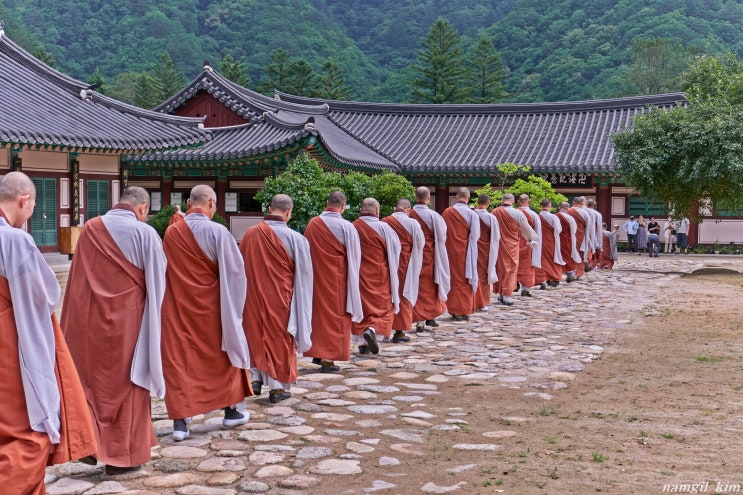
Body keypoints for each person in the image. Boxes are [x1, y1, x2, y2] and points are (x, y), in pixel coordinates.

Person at [0, 171, 96, 492]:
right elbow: (44, 296)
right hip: (9, 350)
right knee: (28, 437)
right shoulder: (14, 240)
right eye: (33, 207)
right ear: (23, 200)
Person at [61, 186, 166, 475]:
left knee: (93, 385)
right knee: (129, 385)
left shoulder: (91, 229)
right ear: (142, 208)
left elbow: (77, 284)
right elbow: (158, 284)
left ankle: (91, 444)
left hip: (90, 324)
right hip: (129, 326)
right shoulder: (145, 234)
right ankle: (125, 457)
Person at [161, 185, 252, 441]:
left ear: (189, 203)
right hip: (213, 309)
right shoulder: (218, 231)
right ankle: (230, 412)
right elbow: (235, 275)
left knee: (181, 360)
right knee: (222, 357)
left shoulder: (172, 232)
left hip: (179, 308)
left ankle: (180, 423)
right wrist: (235, 310)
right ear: (212, 203)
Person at [240, 194, 313, 404]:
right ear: (289, 212)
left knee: (255, 335)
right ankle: (277, 387)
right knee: (279, 339)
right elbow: (305, 276)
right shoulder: (296, 239)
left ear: (269, 208)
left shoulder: (250, 234)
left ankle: (254, 378)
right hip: (280, 297)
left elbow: (240, 266)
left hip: (252, 296)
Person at [303, 191, 363, 373]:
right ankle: (328, 359)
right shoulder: (347, 226)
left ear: (326, 202)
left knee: (318, 315)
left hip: (314, 276)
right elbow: (355, 257)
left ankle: (317, 353)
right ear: (343, 206)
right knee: (336, 317)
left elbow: (306, 249)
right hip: (337, 279)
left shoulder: (313, 223)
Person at [352, 198, 401, 353]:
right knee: (384, 310)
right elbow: (396, 250)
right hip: (380, 276)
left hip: (359, 276)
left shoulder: (353, 227)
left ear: (361, 211)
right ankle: (372, 330)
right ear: (377, 211)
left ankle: (363, 344)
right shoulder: (384, 228)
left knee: (362, 309)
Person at [381, 198, 424, 343]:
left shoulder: (385, 222)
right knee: (403, 295)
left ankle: (381, 329)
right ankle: (399, 332)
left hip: (386, 263)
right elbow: (420, 244)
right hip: (406, 264)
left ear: (394, 208)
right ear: (409, 210)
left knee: (387, 296)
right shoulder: (412, 223)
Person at [410, 186, 450, 332]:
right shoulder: (434, 216)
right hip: (429, 255)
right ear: (428, 198)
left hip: (412, 255)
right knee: (429, 286)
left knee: (417, 286)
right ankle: (428, 317)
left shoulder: (409, 214)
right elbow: (442, 236)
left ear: (415, 198)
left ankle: (421, 319)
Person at [492, 193, 538, 306]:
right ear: (513, 201)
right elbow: (525, 228)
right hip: (512, 245)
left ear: (503, 200)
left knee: (500, 268)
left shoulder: (494, 212)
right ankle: (507, 295)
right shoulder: (518, 213)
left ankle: (501, 293)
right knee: (511, 269)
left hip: (497, 245)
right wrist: (530, 239)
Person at [442, 187, 479, 320]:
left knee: (452, 278)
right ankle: (462, 311)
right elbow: (475, 235)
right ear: (468, 198)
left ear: (457, 197)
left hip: (449, 251)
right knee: (464, 279)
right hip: (466, 252)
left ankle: (452, 309)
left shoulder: (447, 212)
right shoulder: (472, 214)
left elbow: (442, 232)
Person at [473, 194, 500, 311]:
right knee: (483, 275)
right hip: (485, 250)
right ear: (488, 203)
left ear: (477, 202)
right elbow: (496, 236)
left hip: (472, 248)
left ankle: (473, 301)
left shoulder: (471, 214)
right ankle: (482, 302)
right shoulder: (491, 218)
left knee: (472, 273)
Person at [535, 198, 565, 288]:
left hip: (539, 241)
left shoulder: (537, 216)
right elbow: (558, 229)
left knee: (541, 260)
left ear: (541, 206)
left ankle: (542, 280)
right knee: (552, 260)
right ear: (550, 206)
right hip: (551, 241)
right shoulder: (553, 217)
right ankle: (553, 278)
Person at [516, 194, 541, 297]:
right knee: (526, 267)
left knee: (514, 265)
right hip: (528, 243)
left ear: (518, 201)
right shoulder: (533, 214)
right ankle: (525, 289)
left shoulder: (513, 213)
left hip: (514, 243)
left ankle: (513, 283)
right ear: (529, 201)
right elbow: (537, 231)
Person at [567, 196, 592, 278]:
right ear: (581, 204)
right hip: (581, 236)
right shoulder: (585, 213)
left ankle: (571, 271)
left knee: (570, 253)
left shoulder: (568, 211)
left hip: (569, 235)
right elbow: (588, 226)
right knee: (580, 254)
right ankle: (578, 273)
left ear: (573, 202)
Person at [556, 202, 582, 282]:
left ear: (560, 207)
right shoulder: (570, 218)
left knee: (556, 255)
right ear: (568, 209)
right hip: (567, 240)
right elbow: (573, 231)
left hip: (556, 239)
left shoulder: (555, 216)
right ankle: (570, 273)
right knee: (568, 256)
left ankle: (556, 274)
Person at [587, 199, 603, 268]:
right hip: (594, 233)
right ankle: (593, 265)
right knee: (594, 247)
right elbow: (599, 225)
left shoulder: (584, 211)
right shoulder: (598, 214)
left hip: (585, 233)